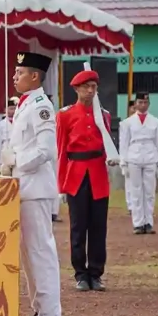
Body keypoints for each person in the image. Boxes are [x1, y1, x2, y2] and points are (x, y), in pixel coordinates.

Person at [2, 52, 62, 316]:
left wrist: (17, 161)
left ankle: (50, 313)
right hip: (23, 188)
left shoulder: (41, 106)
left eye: (20, 73)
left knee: (40, 251)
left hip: (35, 188)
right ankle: (40, 310)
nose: (14, 77)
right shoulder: (26, 105)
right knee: (28, 253)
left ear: (35, 76)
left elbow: (46, 150)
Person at [56, 68, 112, 292]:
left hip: (98, 172)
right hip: (76, 173)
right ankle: (80, 273)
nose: (90, 91)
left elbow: (107, 143)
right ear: (77, 89)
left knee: (99, 226)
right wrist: (61, 184)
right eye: (86, 87)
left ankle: (96, 273)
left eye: (94, 87)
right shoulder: (65, 115)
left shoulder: (103, 115)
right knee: (78, 226)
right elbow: (61, 151)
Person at [120, 92, 158, 234]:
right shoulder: (127, 122)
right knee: (136, 191)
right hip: (133, 157)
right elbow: (124, 144)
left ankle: (148, 222)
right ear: (135, 104)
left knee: (149, 192)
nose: (143, 105)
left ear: (148, 104)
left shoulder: (155, 121)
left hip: (151, 156)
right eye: (140, 102)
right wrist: (123, 163)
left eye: (145, 102)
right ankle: (138, 223)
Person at [0, 97, 18, 170]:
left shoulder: (20, 122)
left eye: (15, 108)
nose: (13, 111)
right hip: (5, 151)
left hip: (17, 152)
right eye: (11, 108)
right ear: (5, 109)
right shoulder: (0, 125)